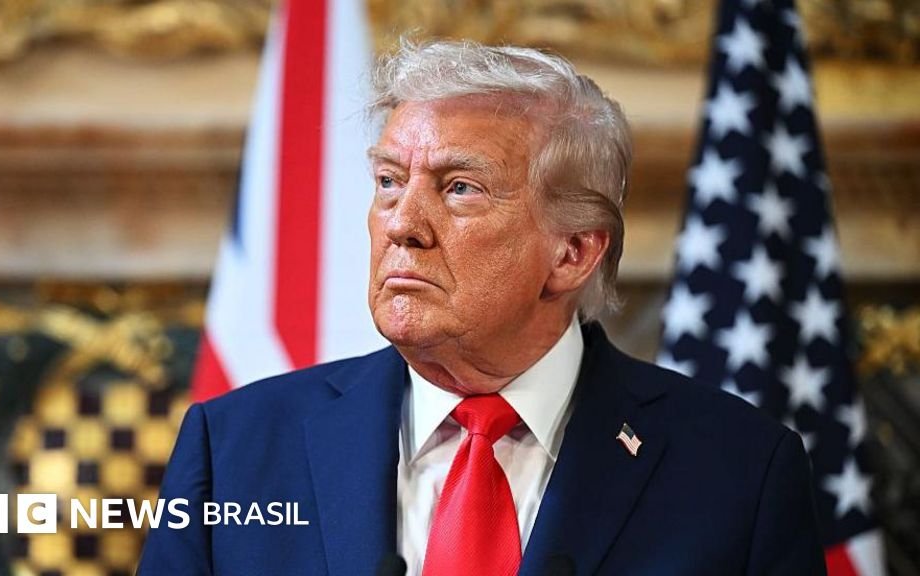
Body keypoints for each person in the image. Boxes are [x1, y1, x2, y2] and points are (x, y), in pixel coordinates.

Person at [138, 40, 825, 576]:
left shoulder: (739, 471)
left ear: (573, 253)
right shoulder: (234, 448)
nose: (401, 224)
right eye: (389, 181)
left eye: (460, 188)